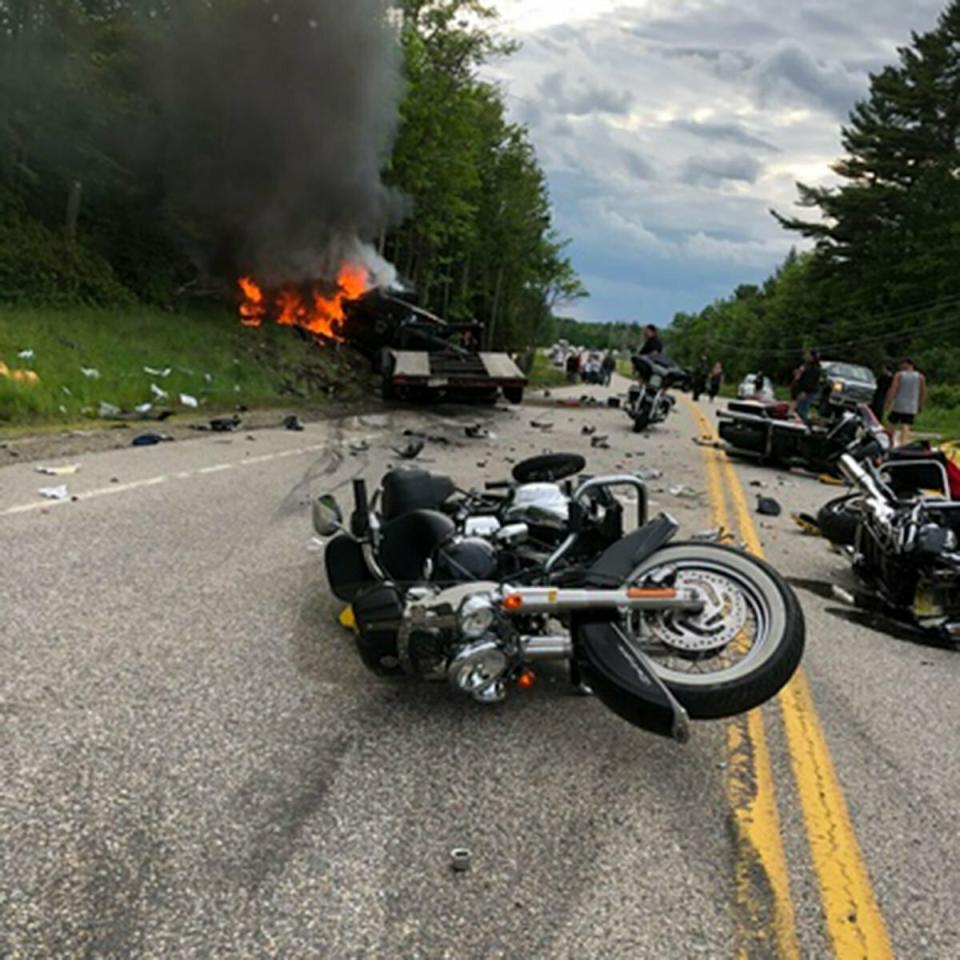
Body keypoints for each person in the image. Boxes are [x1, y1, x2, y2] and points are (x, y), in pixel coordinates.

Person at [885, 358, 927, 447]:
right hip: (911, 406)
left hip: (899, 405)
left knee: (892, 423)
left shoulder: (899, 375)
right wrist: (920, 404)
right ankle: (903, 444)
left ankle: (889, 442)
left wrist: (889, 401)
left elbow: (893, 389)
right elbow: (923, 392)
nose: (900, 366)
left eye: (902, 364)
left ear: (907, 364)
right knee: (906, 425)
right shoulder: (920, 377)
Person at [794, 350, 822, 424]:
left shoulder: (814, 368)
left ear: (813, 357)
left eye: (808, 355)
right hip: (803, 391)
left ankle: (805, 426)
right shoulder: (806, 365)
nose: (806, 356)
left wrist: (804, 391)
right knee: (798, 409)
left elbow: (809, 382)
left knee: (802, 411)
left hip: (807, 392)